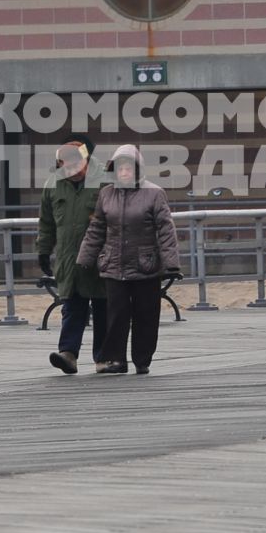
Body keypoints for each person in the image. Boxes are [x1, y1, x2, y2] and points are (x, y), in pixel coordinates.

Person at [76, 143, 180, 374]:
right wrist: (85, 258)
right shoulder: (106, 194)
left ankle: (142, 360)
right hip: (114, 265)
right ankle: (115, 360)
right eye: (120, 169)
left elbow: (165, 229)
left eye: (128, 169)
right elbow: (97, 229)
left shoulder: (154, 193)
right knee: (116, 315)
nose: (124, 173)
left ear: (137, 169)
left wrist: (171, 264)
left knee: (146, 314)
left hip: (146, 265)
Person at [36, 134, 106, 375]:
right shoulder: (52, 185)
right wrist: (43, 251)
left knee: (103, 306)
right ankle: (68, 353)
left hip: (101, 258)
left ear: (87, 160)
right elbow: (46, 223)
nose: (73, 169)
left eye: (77, 164)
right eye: (67, 165)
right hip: (68, 258)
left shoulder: (105, 180)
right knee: (72, 306)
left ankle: (104, 358)